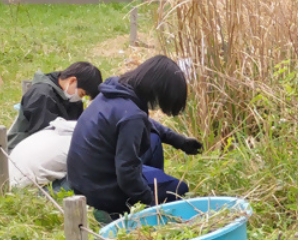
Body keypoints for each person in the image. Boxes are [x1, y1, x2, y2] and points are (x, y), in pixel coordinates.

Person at [66, 55, 204, 218]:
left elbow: (146, 123)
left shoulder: (116, 91)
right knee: (178, 189)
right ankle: (118, 212)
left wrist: (178, 141)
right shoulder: (132, 116)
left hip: (86, 180)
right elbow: (126, 172)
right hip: (102, 190)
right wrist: (150, 203)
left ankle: (147, 187)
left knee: (153, 140)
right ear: (158, 90)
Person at [7, 61, 102, 149]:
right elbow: (44, 136)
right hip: (22, 151)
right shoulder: (42, 95)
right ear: (72, 81)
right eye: (81, 94)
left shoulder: (71, 98)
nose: (79, 98)